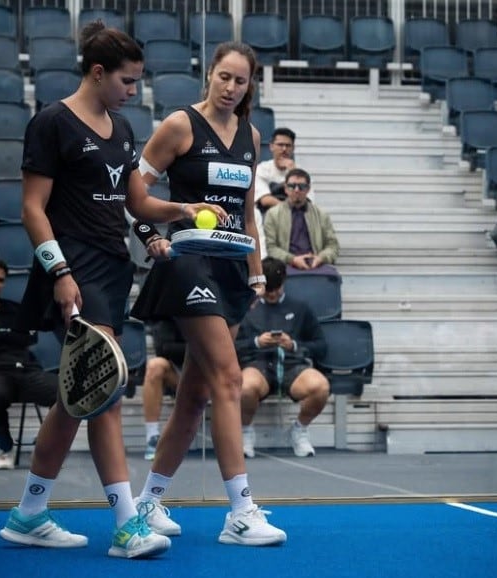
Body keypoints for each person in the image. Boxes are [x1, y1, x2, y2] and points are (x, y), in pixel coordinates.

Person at [0, 21, 224, 559]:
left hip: (112, 269)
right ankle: (126, 524)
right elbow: (31, 209)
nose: (133, 90)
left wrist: (184, 211)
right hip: (71, 270)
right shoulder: (51, 123)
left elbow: (137, 204)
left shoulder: (123, 130)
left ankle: (28, 513)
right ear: (97, 72)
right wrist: (59, 273)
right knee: (101, 392)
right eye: (126, 80)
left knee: (75, 397)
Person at [129, 41, 287, 546]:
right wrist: (152, 234)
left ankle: (148, 502)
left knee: (195, 395)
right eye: (224, 77)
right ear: (210, 75)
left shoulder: (251, 136)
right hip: (188, 262)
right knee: (228, 378)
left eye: (240, 81)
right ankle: (240, 511)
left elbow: (246, 216)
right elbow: (133, 194)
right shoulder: (179, 125)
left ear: (249, 86)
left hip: (232, 272)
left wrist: (257, 273)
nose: (231, 87)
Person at [0, 258, 57, 470]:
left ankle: (44, 445)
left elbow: (30, 337)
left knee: (65, 395)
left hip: (25, 370)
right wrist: (12, 334)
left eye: (1, 280)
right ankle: (4, 447)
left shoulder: (14, 310)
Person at [236, 257, 329, 458]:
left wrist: (293, 345)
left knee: (320, 386)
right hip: (257, 364)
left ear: (284, 282)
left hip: (292, 364)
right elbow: (231, 347)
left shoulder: (300, 308)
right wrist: (256, 342)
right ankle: (245, 431)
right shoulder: (246, 308)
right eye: (268, 290)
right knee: (245, 386)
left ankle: (299, 429)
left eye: (276, 288)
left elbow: (321, 346)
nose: (272, 294)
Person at [264, 168, 340, 276]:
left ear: (308, 189)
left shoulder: (321, 215)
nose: (296, 190)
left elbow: (333, 246)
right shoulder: (273, 215)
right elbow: (270, 248)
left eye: (301, 186)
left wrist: (321, 258)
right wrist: (292, 259)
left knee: (332, 278)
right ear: (285, 188)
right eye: (292, 186)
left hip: (316, 264)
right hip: (285, 265)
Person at [142, 319, 185, 461]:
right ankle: (152, 437)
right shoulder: (168, 308)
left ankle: (235, 438)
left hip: (207, 376)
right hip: (179, 375)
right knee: (155, 366)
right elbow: (163, 348)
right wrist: (196, 346)